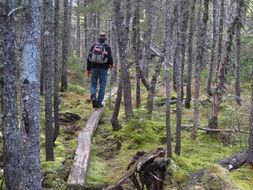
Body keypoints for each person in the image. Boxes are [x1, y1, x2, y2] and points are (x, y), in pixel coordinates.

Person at [87, 32, 113, 108]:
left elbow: (88, 58)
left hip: (93, 68)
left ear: (98, 38)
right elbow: (110, 58)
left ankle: (93, 96)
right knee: (102, 85)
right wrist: (111, 65)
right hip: (104, 69)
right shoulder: (107, 47)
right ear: (105, 39)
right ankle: (99, 103)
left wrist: (88, 69)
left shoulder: (93, 46)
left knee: (93, 84)